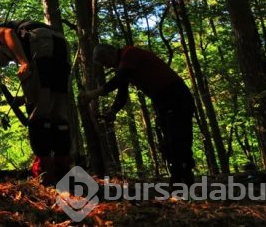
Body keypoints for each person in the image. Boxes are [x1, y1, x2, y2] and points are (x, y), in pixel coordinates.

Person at [81, 44, 195, 185]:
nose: (107, 67)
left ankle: (184, 179)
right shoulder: (124, 66)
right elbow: (122, 92)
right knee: (169, 140)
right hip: (162, 100)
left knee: (178, 138)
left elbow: (119, 80)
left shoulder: (130, 54)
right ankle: (179, 178)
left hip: (175, 95)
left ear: (111, 52)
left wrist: (93, 94)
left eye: (105, 62)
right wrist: (112, 111)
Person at [0, 20, 72, 184]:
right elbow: (43, 89)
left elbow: (7, 34)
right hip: (60, 44)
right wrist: (23, 98)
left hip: (41, 42)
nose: (8, 61)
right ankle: (63, 169)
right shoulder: (29, 30)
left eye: (5, 59)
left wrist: (22, 61)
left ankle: (46, 173)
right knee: (58, 110)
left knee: (39, 115)